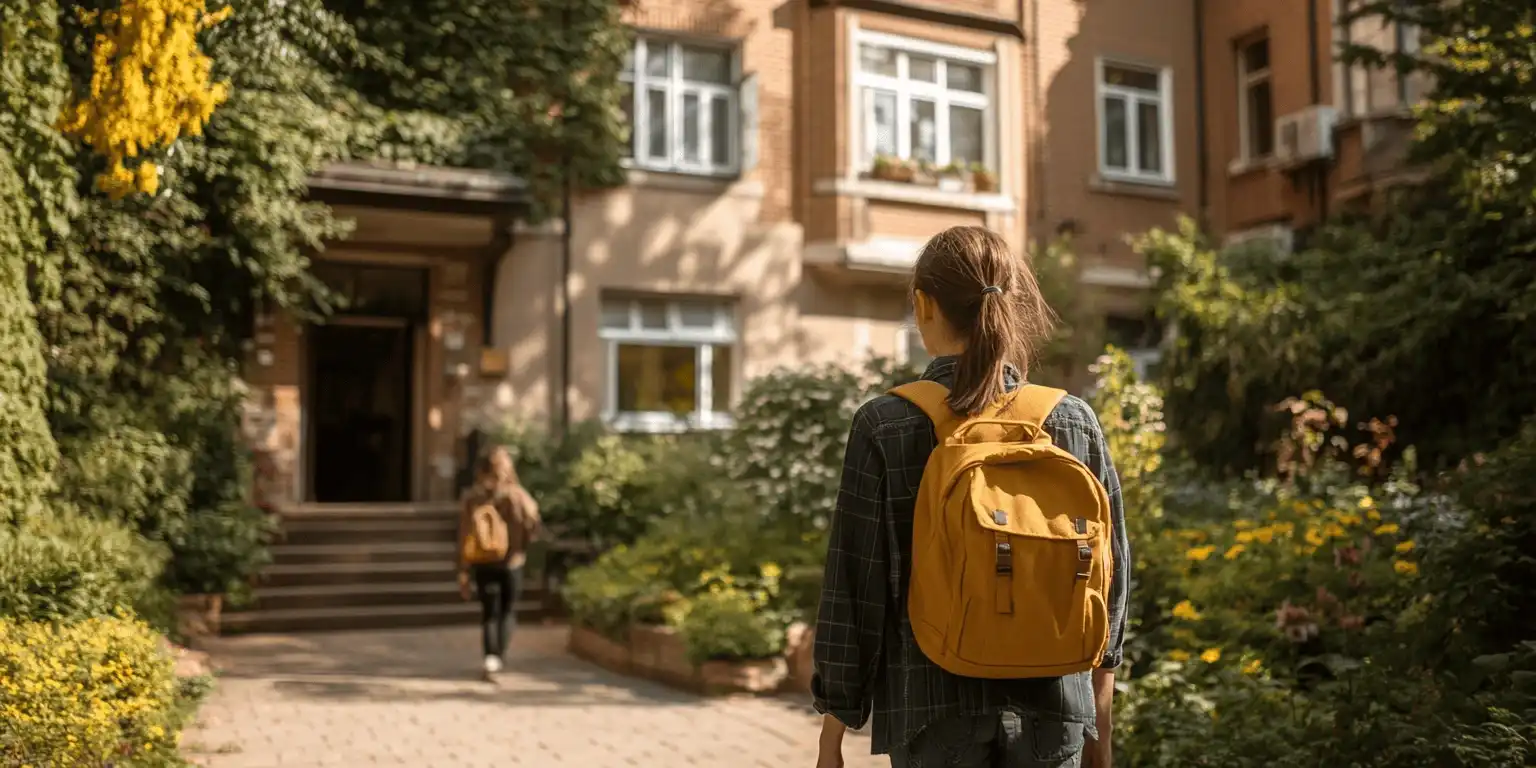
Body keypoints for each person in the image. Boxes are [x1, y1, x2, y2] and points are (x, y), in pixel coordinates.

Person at [812, 226, 1131, 768]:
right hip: (1054, 712)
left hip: (934, 710)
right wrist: (1100, 726)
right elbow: (1111, 582)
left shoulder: (886, 424)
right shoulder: (1071, 420)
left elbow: (856, 590)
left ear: (923, 305)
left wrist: (833, 737)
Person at [457, 446, 541, 680]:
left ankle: (490, 658)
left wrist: (462, 570)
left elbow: (463, 533)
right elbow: (533, 521)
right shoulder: (516, 494)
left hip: (483, 562)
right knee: (507, 611)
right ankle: (499, 656)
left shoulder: (472, 497)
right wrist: (523, 544)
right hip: (511, 562)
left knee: (489, 612)